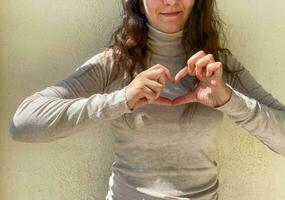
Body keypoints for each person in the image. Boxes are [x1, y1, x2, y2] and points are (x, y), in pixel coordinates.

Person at [8, 0, 285, 199]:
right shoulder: (115, 63)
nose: (170, 1)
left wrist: (228, 100)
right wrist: (122, 99)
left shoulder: (218, 66)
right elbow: (22, 123)